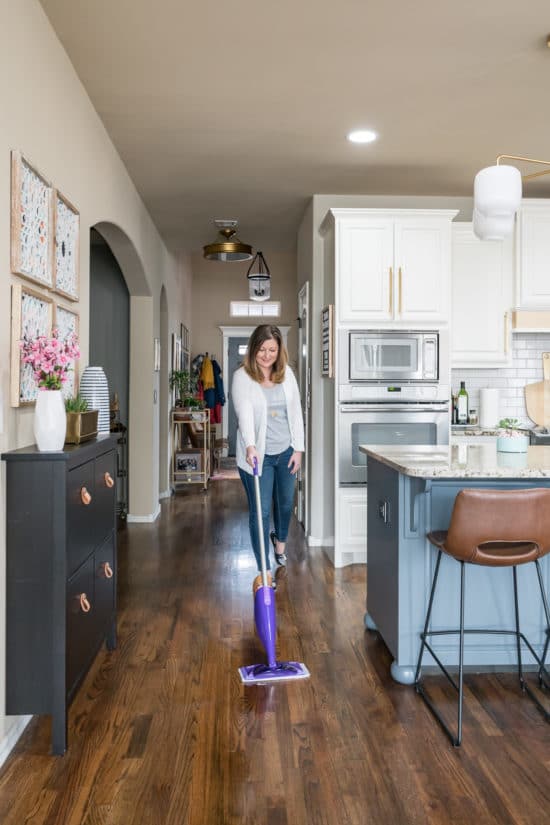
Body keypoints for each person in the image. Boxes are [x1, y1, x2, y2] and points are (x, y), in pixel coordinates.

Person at [232, 325, 304, 589]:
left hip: (285, 451)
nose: (266, 355)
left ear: (279, 350)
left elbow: (295, 413)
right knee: (260, 511)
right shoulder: (242, 377)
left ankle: (280, 542)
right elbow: (245, 413)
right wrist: (250, 445)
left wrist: (299, 449)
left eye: (272, 350)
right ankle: (264, 571)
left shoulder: (288, 375)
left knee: (285, 505)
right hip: (257, 456)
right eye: (262, 349)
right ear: (253, 348)